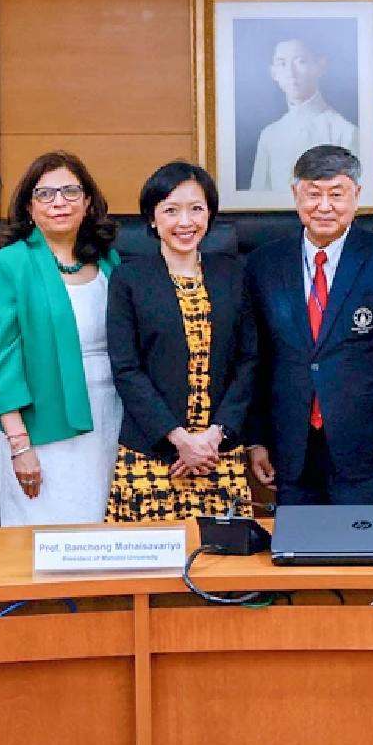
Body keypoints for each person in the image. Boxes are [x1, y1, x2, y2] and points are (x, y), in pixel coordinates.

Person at [244, 144, 373, 505]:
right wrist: (256, 437)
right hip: (290, 448)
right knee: (296, 554)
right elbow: (257, 358)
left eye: (336, 193)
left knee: (366, 558)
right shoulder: (263, 264)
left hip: (370, 451)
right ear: (295, 195)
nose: (325, 206)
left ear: (357, 196)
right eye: (313, 194)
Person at [106, 162, 258, 520]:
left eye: (196, 209)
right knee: (148, 570)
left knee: (225, 566)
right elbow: (127, 369)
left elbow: (249, 361)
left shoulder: (233, 274)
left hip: (217, 454)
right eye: (171, 210)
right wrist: (179, 439)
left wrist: (212, 438)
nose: (184, 222)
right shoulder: (129, 279)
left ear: (210, 215)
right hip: (153, 453)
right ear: (152, 219)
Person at [0, 152, 125, 526]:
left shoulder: (110, 261)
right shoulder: (6, 264)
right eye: (45, 194)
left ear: (88, 201)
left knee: (104, 532)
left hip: (110, 415)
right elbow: (1, 364)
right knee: (47, 537)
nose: (59, 202)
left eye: (70, 191)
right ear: (29, 206)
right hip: (40, 427)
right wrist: (18, 445)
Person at [249, 36, 359, 192]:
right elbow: (257, 198)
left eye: (300, 61)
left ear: (320, 66)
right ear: (273, 72)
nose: (291, 73)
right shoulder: (269, 135)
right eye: (282, 64)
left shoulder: (345, 133)